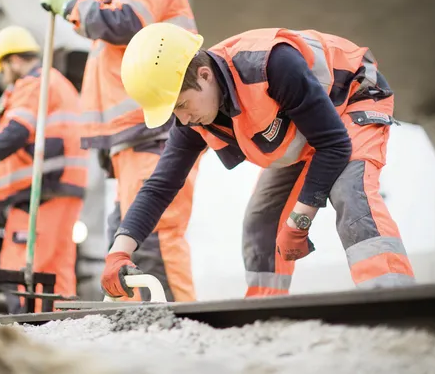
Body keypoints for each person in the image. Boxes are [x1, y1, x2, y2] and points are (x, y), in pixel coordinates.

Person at [101, 22, 417, 299]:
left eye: (182, 104)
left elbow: (333, 144)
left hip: (352, 97)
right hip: (309, 128)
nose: (183, 120)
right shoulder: (193, 119)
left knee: (350, 192)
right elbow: (160, 187)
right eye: (174, 113)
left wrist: (301, 219)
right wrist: (119, 253)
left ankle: (391, 295)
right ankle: (265, 311)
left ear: (205, 74)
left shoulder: (271, 64)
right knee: (261, 220)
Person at [35, 0, 201, 302]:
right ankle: (134, 323)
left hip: (154, 137)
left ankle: (178, 323)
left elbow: (124, 23)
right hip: (133, 143)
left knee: (155, 236)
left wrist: (70, 6)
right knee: (124, 243)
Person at [0, 25, 89, 312]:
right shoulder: (55, 83)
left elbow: (15, 132)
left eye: (1, 69)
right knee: (55, 275)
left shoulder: (33, 84)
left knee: (19, 271)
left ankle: (28, 335)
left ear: (12, 61)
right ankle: (59, 335)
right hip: (60, 189)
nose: (2, 77)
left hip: (39, 196)